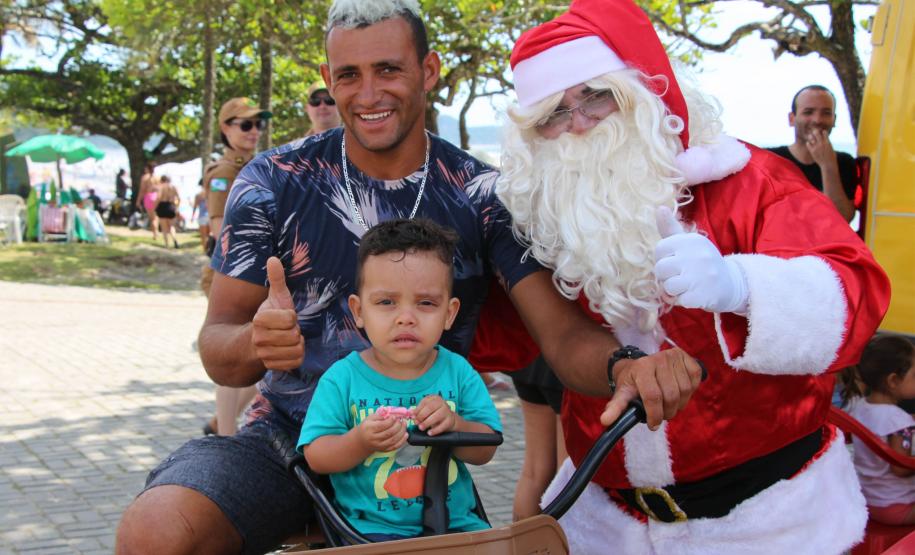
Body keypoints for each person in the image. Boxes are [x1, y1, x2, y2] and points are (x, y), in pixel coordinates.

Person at [116, 2, 701, 553]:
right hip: (290, 441)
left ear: (429, 70)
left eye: (388, 70)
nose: (368, 95)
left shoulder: (485, 196)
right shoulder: (272, 181)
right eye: (348, 75)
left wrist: (625, 365)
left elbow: (562, 336)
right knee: (158, 528)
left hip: (427, 458)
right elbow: (218, 346)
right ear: (327, 76)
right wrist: (255, 342)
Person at [496, 0, 890, 552]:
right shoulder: (547, 218)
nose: (579, 125)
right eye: (555, 114)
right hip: (608, 527)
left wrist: (743, 287)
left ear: (643, 92)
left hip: (769, 525)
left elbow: (857, 293)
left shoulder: (751, 181)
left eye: (596, 96)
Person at [298, 218, 500, 541]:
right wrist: (360, 441)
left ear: (449, 313)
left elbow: (486, 447)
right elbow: (316, 456)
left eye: (426, 303)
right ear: (358, 310)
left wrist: (455, 425)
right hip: (369, 533)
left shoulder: (458, 372)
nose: (406, 317)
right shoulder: (342, 380)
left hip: (457, 526)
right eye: (386, 302)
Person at [200, 96, 272, 437]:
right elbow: (218, 225)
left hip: (257, 273)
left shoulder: (256, 166)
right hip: (233, 273)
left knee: (263, 358)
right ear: (225, 129)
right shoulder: (224, 173)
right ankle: (226, 434)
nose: (254, 131)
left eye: (258, 124)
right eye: (245, 124)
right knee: (234, 355)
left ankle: (220, 423)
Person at [846, 335, 915, 526]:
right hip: (899, 506)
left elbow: (885, 424)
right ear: (893, 380)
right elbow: (901, 468)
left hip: (868, 501)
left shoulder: (859, 407)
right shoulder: (899, 422)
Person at [768, 85, 857, 222]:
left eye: (826, 113)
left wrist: (828, 166)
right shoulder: (771, 160)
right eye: (808, 112)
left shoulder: (844, 162)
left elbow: (842, 220)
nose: (817, 120)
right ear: (792, 118)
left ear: (834, 119)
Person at [509, 355, 567, 521]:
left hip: (531, 358)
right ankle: (562, 545)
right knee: (567, 475)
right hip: (570, 365)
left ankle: (520, 545)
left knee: (534, 472)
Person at [154, 175, 180, 249]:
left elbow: (158, 198)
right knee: (172, 226)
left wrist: (155, 207)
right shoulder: (173, 187)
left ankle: (166, 244)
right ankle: (174, 239)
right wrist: (177, 207)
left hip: (162, 206)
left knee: (164, 227)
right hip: (171, 206)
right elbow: (178, 198)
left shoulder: (161, 187)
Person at [136, 162, 160, 241]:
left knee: (152, 217)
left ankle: (155, 233)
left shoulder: (145, 178)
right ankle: (156, 231)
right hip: (156, 197)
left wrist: (138, 200)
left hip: (148, 197)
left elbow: (142, 190)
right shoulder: (158, 177)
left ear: (147, 169)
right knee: (156, 216)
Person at [192, 180, 210, 253]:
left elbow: (195, 207)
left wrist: (192, 217)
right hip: (210, 216)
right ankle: (210, 250)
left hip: (202, 216)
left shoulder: (198, 195)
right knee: (210, 236)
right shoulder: (210, 193)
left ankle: (204, 251)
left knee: (203, 236)